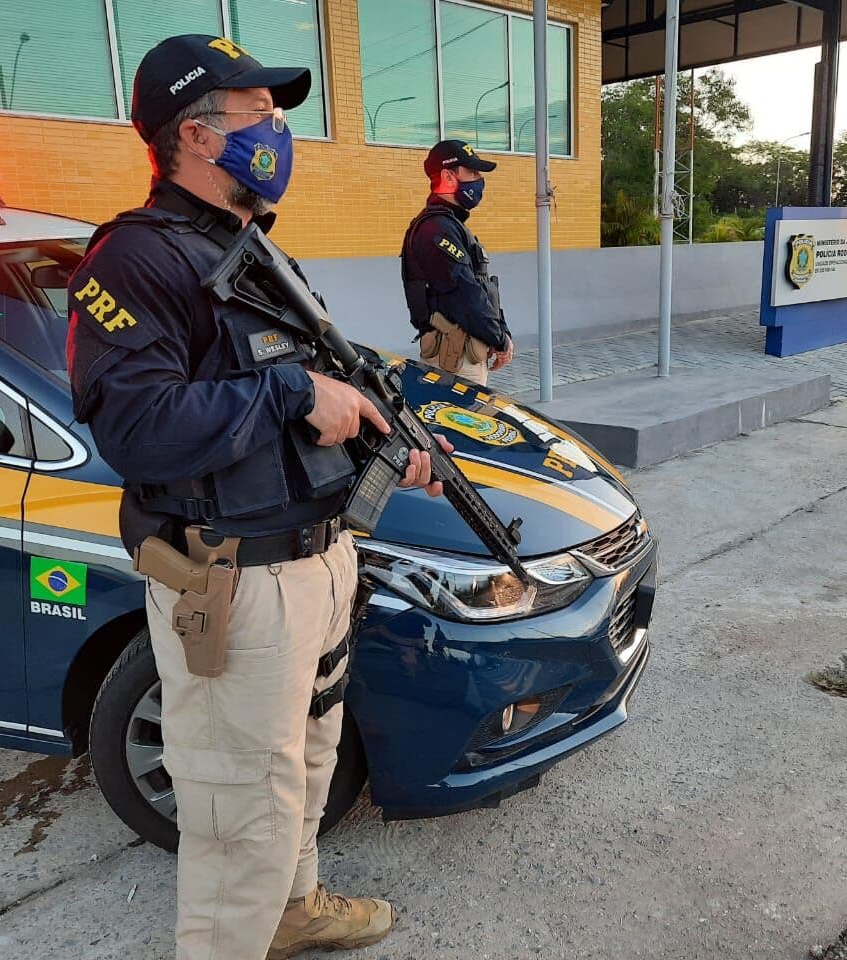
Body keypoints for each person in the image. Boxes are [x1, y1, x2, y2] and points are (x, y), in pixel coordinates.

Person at [66, 34, 448, 960]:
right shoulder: (134, 259)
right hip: (236, 584)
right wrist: (291, 393)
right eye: (260, 114)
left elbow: (317, 384)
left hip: (318, 560)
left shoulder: (246, 248)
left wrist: (385, 429)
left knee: (306, 764)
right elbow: (136, 426)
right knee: (239, 802)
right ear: (196, 137)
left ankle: (291, 909)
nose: (281, 131)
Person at [400, 139, 514, 385]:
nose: (477, 180)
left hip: (463, 354)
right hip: (455, 359)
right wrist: (500, 339)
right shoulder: (436, 229)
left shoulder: (450, 226)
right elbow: (466, 295)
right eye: (471, 172)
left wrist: (500, 331)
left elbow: (481, 287)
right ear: (448, 177)